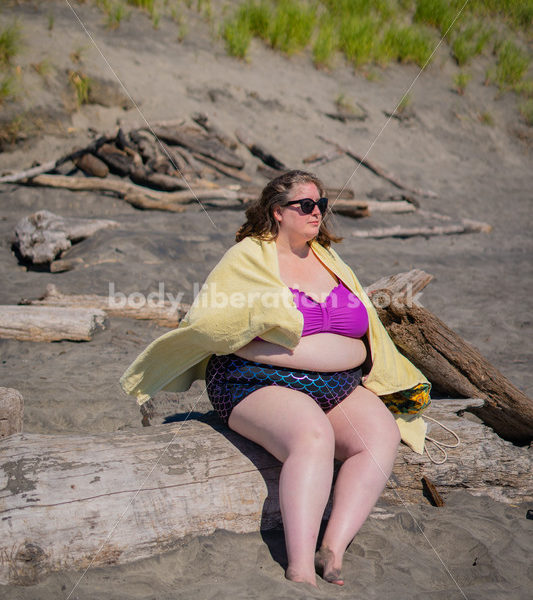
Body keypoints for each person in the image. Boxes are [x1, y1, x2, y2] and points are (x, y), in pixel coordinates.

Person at [120, 170, 430, 587]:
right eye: (306, 205)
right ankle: (300, 566)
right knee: (312, 436)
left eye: (321, 204)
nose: (317, 212)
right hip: (256, 380)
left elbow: (364, 326)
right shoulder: (248, 257)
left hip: (335, 385)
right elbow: (212, 321)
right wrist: (252, 346)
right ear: (277, 212)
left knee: (380, 435)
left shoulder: (329, 258)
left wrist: (352, 355)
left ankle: (332, 548)